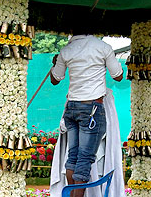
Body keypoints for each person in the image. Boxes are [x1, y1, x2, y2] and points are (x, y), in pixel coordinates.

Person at [50, 34, 123, 197]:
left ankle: (70, 194)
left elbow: (55, 79)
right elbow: (118, 76)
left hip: (71, 107)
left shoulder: (66, 50)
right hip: (92, 109)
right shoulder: (103, 47)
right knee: (85, 158)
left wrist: (55, 63)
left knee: (73, 156)